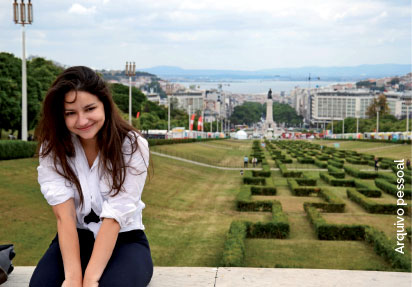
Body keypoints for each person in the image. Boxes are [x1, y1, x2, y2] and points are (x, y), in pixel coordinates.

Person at [30, 66, 153, 287]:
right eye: (71, 113)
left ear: (104, 103)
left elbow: (114, 218)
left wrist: (90, 280)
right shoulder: (53, 147)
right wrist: (73, 277)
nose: (82, 120)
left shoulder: (132, 145)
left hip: (124, 240)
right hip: (74, 238)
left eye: (89, 109)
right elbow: (64, 217)